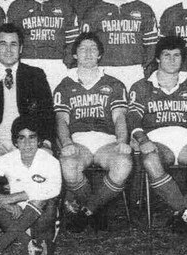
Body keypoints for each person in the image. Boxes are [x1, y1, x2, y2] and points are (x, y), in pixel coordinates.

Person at [128, 36, 187, 231]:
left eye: (177, 55)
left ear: (182, 58)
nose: (172, 60)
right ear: (157, 59)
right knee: (150, 161)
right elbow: (132, 118)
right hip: (157, 140)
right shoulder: (142, 86)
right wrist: (143, 140)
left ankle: (182, 213)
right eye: (166, 55)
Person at [54, 32, 132, 232]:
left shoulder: (114, 83)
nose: (88, 53)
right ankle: (97, 210)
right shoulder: (64, 85)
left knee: (123, 164)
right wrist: (67, 143)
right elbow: (61, 120)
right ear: (75, 55)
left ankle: (88, 210)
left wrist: (122, 141)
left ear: (100, 55)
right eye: (82, 49)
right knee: (69, 168)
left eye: (93, 49)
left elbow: (120, 118)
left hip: (107, 140)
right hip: (78, 141)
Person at [0, 23, 54, 182]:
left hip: (27, 140)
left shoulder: (35, 75)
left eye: (13, 44)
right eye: (3, 44)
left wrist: (46, 143)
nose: (8, 49)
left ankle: (31, 207)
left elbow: (47, 114)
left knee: (46, 163)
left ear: (20, 48)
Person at [0, 116, 61, 255]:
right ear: (15, 142)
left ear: (39, 141)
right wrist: (6, 204)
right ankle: (31, 245)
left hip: (41, 218)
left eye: (32, 137)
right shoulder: (8, 159)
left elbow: (54, 188)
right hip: (14, 215)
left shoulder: (50, 161)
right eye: (21, 138)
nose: (27, 143)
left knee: (41, 197)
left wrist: (16, 197)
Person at [6, 0, 79, 90]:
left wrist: (66, 65)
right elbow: (11, 42)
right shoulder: (17, 6)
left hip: (57, 66)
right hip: (26, 65)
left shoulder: (65, 5)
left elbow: (73, 42)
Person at [82, 0, 159, 90]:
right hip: (103, 71)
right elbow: (85, 46)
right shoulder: (94, 10)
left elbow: (152, 46)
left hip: (135, 72)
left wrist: (144, 69)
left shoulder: (144, 9)